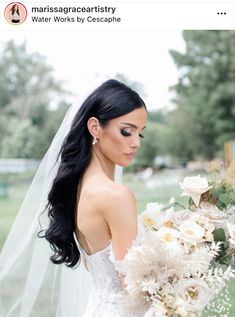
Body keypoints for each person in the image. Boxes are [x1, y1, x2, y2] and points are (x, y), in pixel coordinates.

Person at [0, 79, 148, 317]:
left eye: (141, 134)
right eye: (127, 131)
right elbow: (131, 286)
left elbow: (95, 266)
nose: (136, 143)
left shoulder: (78, 189)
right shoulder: (116, 196)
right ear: (95, 128)